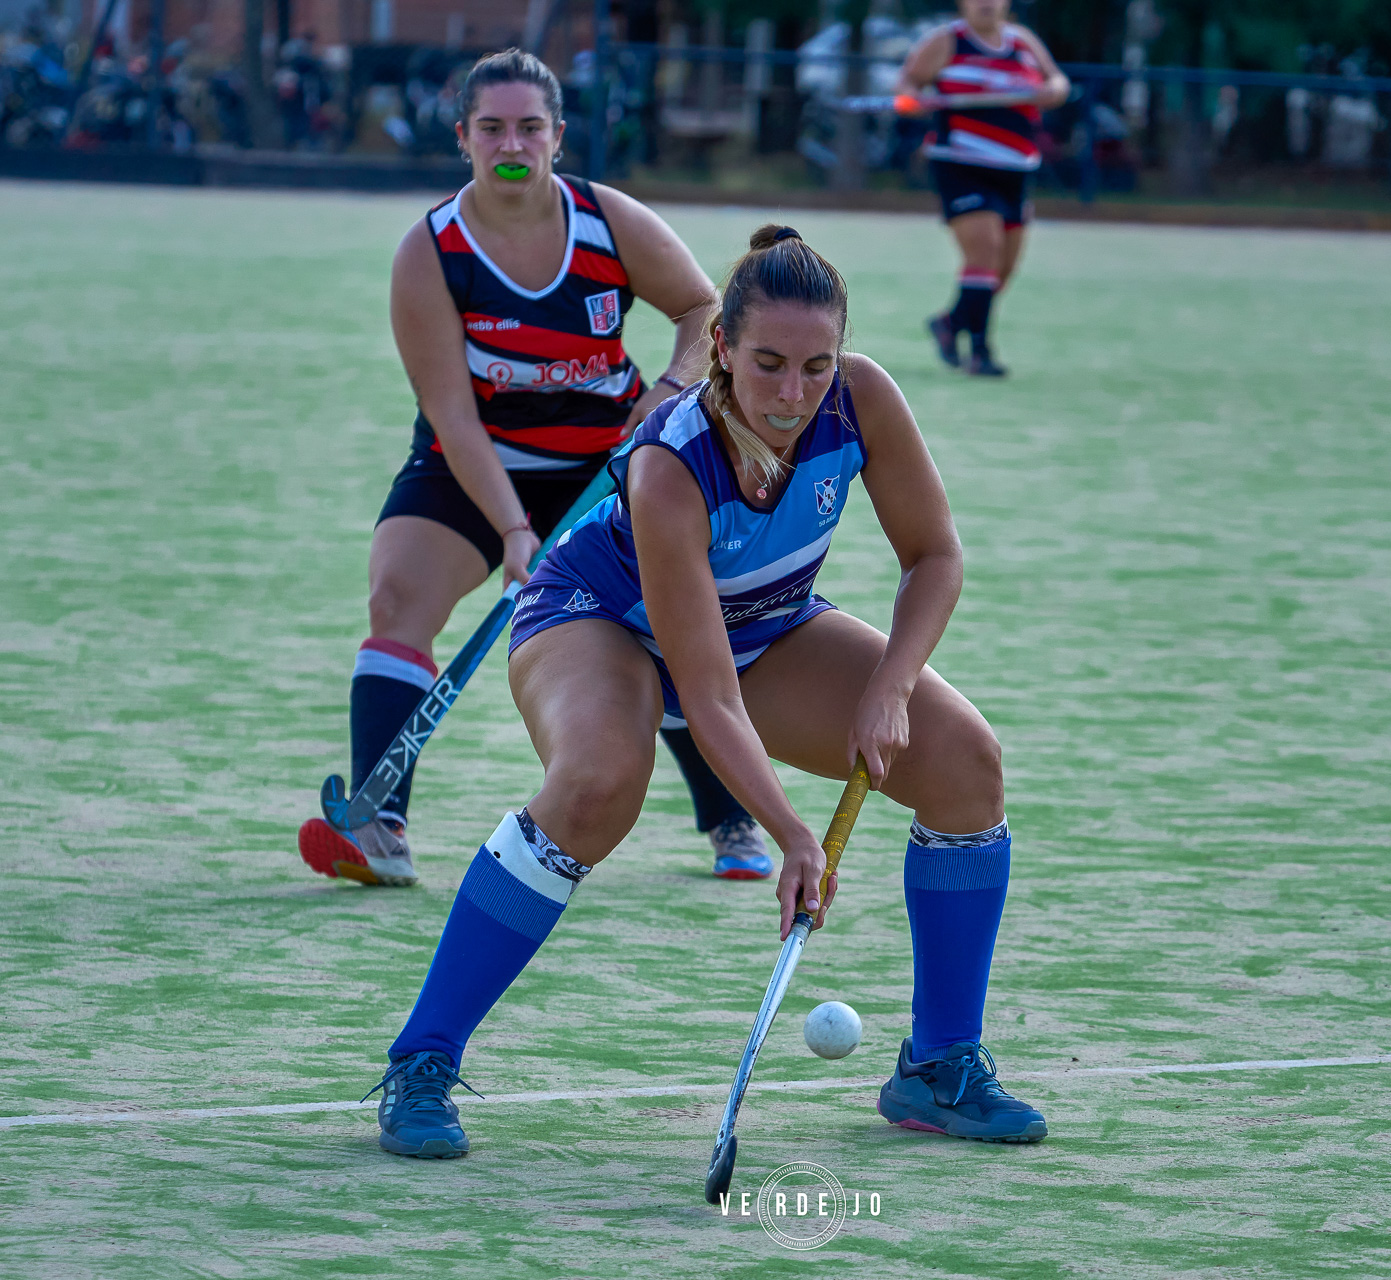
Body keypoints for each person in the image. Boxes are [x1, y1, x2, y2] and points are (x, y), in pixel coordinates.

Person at [362, 225, 1048, 1159]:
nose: (793, 393)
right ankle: (423, 1059)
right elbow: (709, 699)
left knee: (966, 763)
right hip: (602, 614)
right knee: (600, 783)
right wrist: (794, 837)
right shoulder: (669, 463)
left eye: (816, 366)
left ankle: (939, 1064)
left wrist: (891, 686)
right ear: (721, 346)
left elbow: (934, 555)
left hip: (765, 620)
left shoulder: (864, 399)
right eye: (768, 363)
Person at [297, 49, 773, 889]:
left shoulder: (605, 221)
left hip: (608, 464)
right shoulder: (432, 251)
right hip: (474, 464)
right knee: (398, 595)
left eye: (528, 127)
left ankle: (730, 809)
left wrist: (664, 393)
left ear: (557, 135)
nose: (510, 143)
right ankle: (379, 827)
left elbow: (708, 313)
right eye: (491, 128)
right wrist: (516, 531)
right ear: (463, 139)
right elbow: (451, 413)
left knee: (655, 622)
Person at [898, 0, 1068, 376]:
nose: (986, 3)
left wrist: (1051, 90)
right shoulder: (947, 42)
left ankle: (950, 322)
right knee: (985, 252)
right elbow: (907, 87)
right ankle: (980, 352)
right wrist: (916, 101)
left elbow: (1057, 80)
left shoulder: (1022, 41)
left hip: (1016, 167)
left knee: (1003, 269)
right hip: (961, 164)